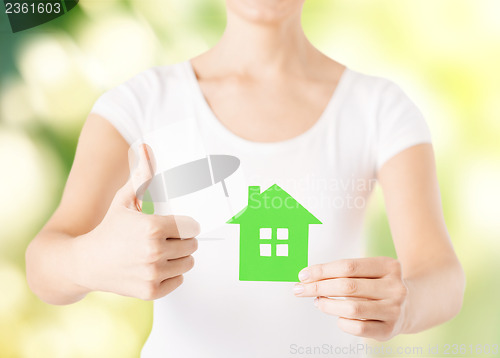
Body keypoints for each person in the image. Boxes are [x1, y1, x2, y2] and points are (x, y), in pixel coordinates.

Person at [25, 0, 465, 357]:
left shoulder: (380, 108)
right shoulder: (140, 103)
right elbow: (43, 266)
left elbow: (441, 275)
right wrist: (90, 261)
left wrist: (405, 305)